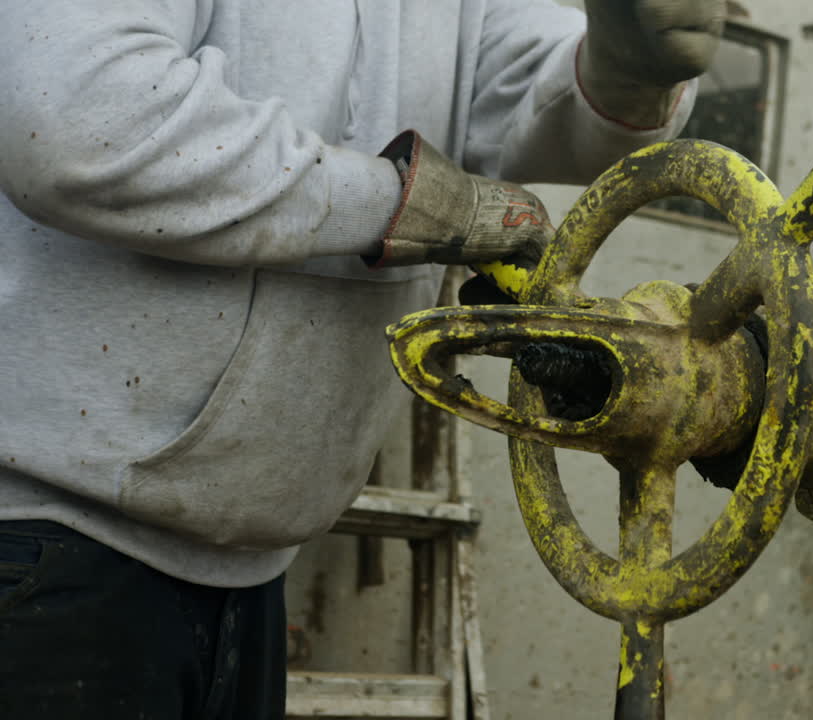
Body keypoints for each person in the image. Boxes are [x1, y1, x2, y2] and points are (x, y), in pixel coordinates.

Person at [0, 2, 725, 717]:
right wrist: (405, 207)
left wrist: (625, 77)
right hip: (41, 544)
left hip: (249, 569)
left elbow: (541, 91)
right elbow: (75, 124)